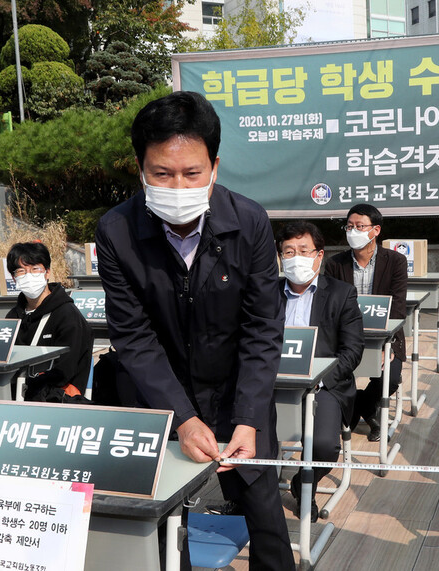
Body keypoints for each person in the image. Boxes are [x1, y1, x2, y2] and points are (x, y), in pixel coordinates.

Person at [94, 91, 294, 570]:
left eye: (192, 173)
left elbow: (263, 328)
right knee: (159, 513)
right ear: (141, 169)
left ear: (215, 168)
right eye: (162, 174)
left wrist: (247, 416)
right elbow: (133, 337)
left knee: (262, 507)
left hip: (236, 391)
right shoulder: (116, 231)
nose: (177, 185)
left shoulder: (249, 223)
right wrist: (182, 417)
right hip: (155, 396)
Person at [276, 221, 364, 522]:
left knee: (325, 445)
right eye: (288, 251)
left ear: (319, 255)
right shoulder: (265, 294)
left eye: (303, 250)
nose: (295, 257)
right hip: (274, 385)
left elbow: (352, 351)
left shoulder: (342, 294)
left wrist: (319, 380)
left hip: (323, 387)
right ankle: (248, 499)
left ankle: (305, 484)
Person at [323, 204, 407, 442]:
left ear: (376, 230)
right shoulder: (334, 264)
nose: (353, 231)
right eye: (349, 226)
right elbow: (329, 309)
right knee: (332, 374)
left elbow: (398, 308)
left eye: (360, 226)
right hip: (344, 337)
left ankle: (359, 406)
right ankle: (367, 414)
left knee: (389, 378)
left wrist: (384, 345)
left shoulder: (395, 261)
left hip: (385, 336)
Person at [5, 242, 93, 402]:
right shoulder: (13, 316)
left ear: (47, 272)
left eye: (35, 269)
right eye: (21, 271)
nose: (28, 275)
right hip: (15, 394)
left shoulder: (67, 315)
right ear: (13, 278)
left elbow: (65, 371)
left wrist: (27, 385)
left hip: (54, 398)